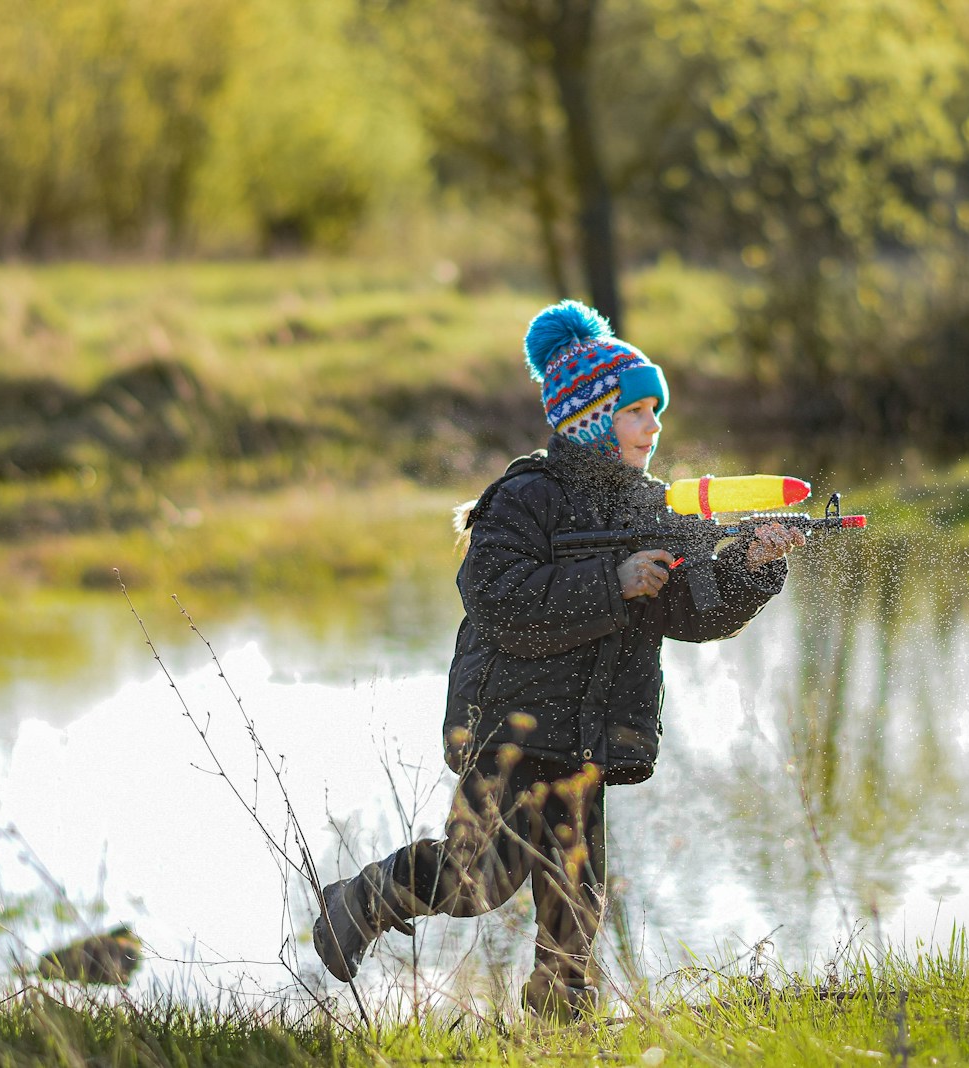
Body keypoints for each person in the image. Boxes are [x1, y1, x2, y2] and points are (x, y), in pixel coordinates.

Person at [312, 300, 804, 1017]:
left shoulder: (652, 505)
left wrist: (752, 565)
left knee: (577, 900)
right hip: (511, 731)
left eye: (655, 412)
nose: (654, 426)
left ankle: (563, 1030)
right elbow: (497, 598)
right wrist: (614, 581)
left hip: (589, 730)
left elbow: (692, 613)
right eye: (636, 410)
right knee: (477, 878)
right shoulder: (526, 495)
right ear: (591, 416)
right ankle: (360, 899)